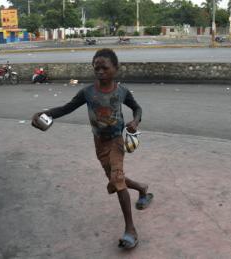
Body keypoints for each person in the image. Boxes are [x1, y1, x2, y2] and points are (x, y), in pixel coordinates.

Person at [32, 48, 153, 249]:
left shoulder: (121, 92)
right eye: (96, 68)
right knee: (116, 179)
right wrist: (45, 114)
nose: (100, 71)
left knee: (118, 181)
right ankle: (142, 188)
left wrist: (136, 121)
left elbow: (137, 109)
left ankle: (130, 229)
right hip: (99, 143)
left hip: (116, 142)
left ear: (116, 68)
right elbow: (66, 108)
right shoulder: (87, 92)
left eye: (104, 67)